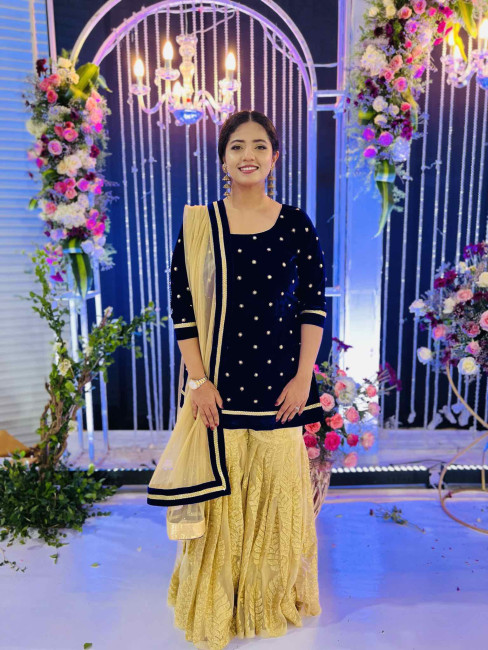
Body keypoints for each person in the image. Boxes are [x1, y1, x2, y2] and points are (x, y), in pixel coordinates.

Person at [148, 110, 326, 649]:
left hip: (280, 391)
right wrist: (197, 382)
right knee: (222, 503)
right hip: (219, 392)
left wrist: (303, 379)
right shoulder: (200, 226)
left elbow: (312, 308)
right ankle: (217, 606)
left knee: (276, 500)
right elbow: (183, 311)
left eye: (259, 146)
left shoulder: (296, 225)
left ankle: (267, 602)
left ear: (275, 157)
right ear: (223, 159)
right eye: (237, 146)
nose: (248, 155)